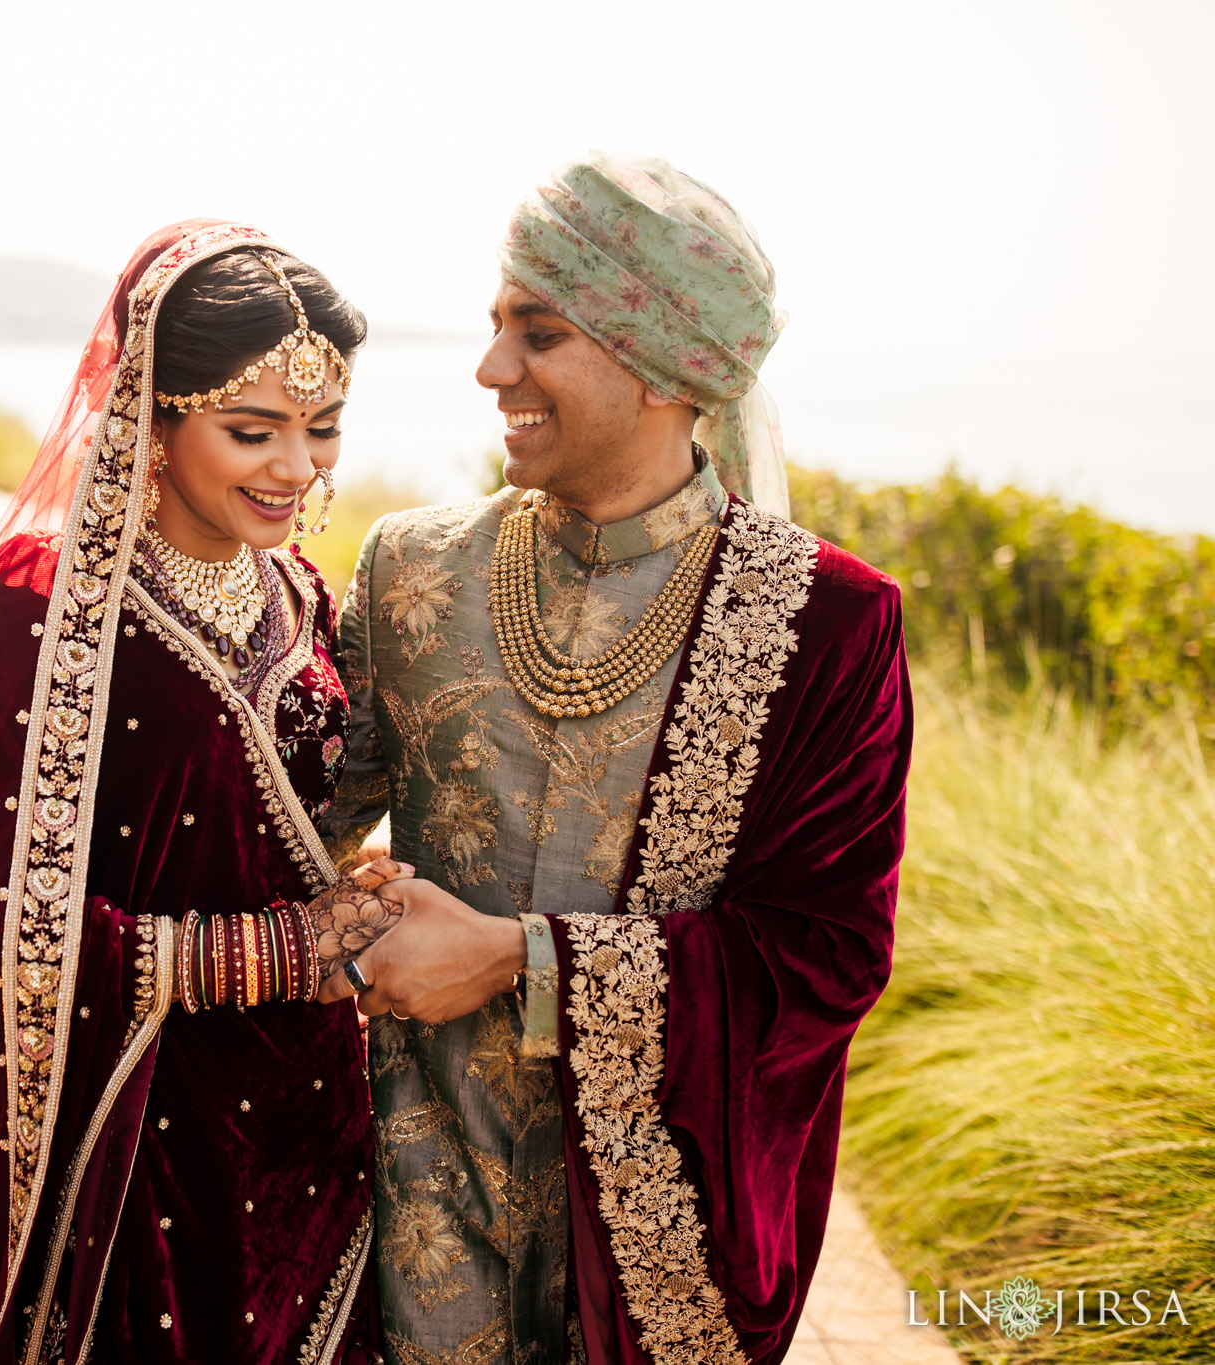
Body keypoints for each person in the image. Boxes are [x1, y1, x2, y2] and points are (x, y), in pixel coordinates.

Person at [317, 155, 913, 1365]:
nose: (491, 371)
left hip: (659, 1243)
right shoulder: (408, 567)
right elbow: (280, 820)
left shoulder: (824, 623)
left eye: (536, 333)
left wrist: (513, 961)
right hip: (407, 1199)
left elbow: (827, 954)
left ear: (664, 366)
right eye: (494, 327)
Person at [0, 220, 415, 1365]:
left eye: (323, 430)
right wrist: (283, 953)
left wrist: (363, 894)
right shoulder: (35, 611)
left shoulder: (298, 596)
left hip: (303, 1133)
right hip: (128, 1146)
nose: (296, 470)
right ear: (152, 416)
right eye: (253, 432)